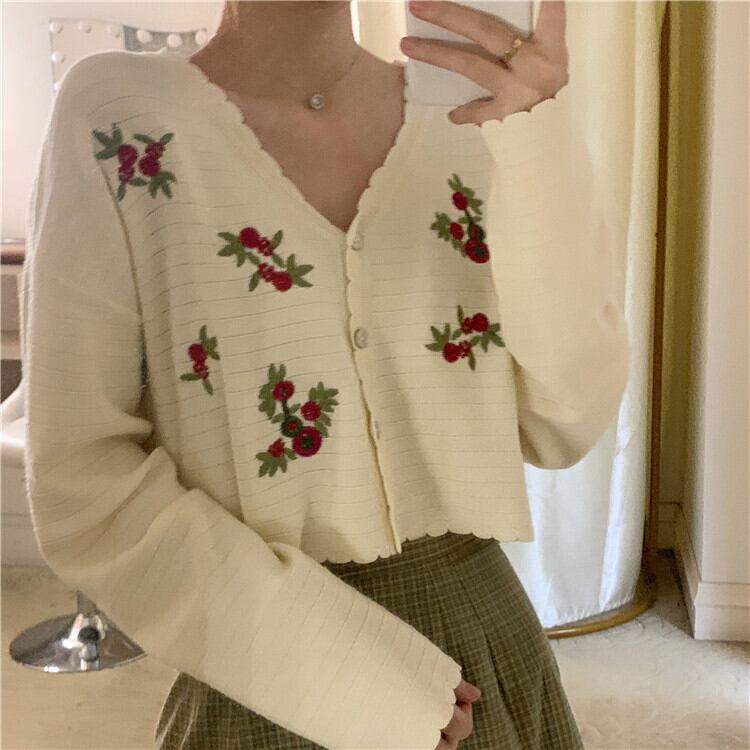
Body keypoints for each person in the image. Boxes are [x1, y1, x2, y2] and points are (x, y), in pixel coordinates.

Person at [20, 1, 628, 748]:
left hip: (483, 643)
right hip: (266, 674)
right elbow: (84, 483)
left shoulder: (475, 113)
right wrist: (350, 680)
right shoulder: (117, 120)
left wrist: (537, 139)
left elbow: (566, 421)